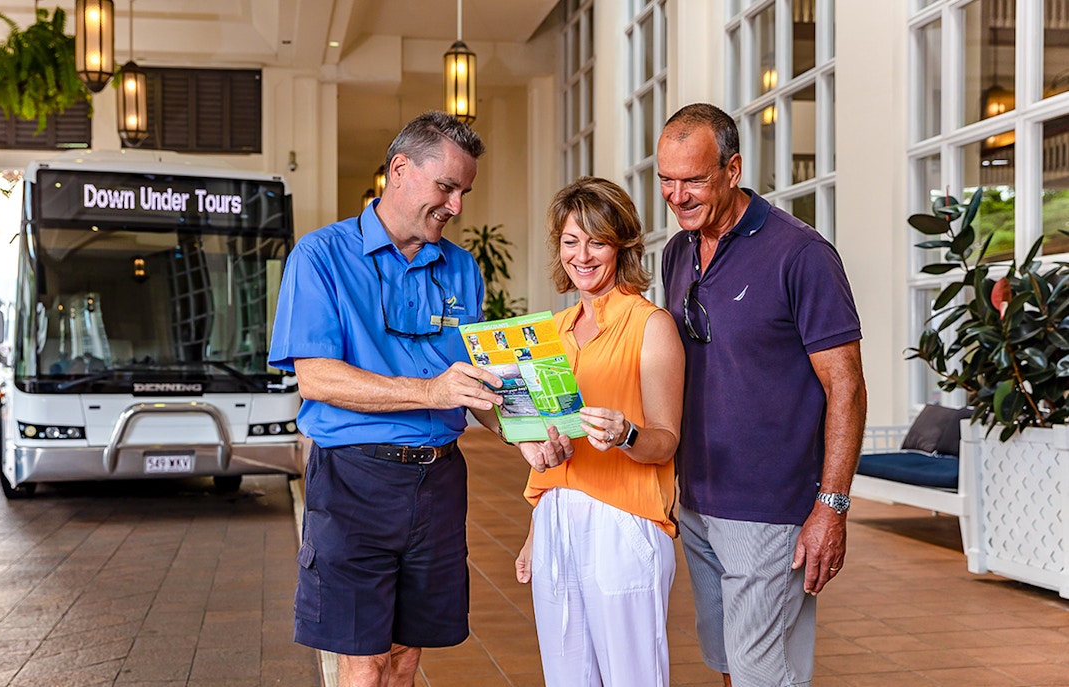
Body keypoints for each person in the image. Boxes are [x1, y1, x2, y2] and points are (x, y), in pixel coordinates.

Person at [268, 110, 573, 687]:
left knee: (408, 655)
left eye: (464, 192)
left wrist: (524, 435)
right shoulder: (320, 257)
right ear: (399, 170)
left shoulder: (461, 268)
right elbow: (317, 379)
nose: (457, 206)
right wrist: (429, 390)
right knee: (365, 659)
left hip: (437, 484)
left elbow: (477, 385)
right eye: (447, 187)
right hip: (354, 481)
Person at [656, 103, 867, 687]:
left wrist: (832, 507)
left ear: (733, 169)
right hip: (696, 499)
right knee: (727, 661)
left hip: (769, 507)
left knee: (762, 670)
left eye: (694, 179)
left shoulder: (801, 254)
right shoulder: (676, 252)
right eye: (666, 181)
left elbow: (845, 384)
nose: (678, 196)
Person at [513, 177, 686, 686]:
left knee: (632, 678)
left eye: (597, 241)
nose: (582, 255)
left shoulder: (651, 326)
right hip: (555, 522)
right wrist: (534, 532)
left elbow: (666, 440)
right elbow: (550, 446)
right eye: (570, 241)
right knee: (566, 678)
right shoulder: (551, 333)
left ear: (623, 245)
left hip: (623, 523)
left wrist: (629, 434)